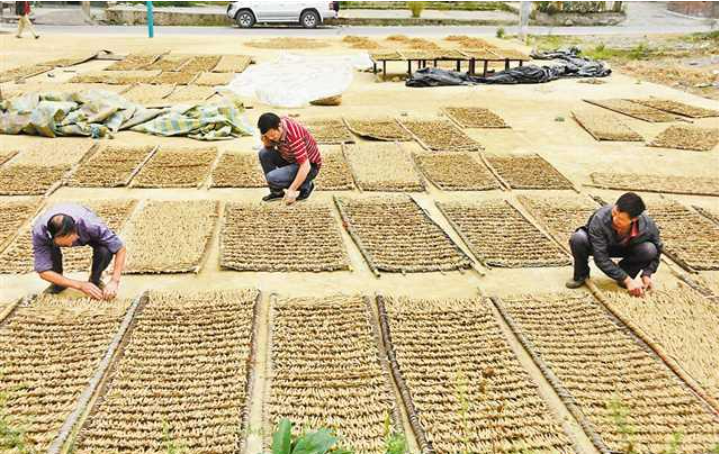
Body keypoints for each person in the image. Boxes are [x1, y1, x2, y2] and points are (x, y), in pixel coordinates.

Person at [566, 192, 662, 297]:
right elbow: (600, 258)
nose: (615, 219)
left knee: (650, 249)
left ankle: (626, 274)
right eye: (614, 213)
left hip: (627, 248)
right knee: (578, 239)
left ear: (634, 219)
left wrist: (647, 273)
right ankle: (581, 275)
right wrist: (628, 281)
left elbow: (658, 249)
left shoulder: (648, 225)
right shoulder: (600, 218)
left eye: (621, 219)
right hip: (600, 246)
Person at [32, 203, 126, 301]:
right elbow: (43, 271)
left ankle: (95, 280)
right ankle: (58, 284)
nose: (75, 239)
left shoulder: (91, 225)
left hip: (87, 228)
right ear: (54, 237)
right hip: (51, 240)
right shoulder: (40, 233)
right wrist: (79, 285)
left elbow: (120, 249)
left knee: (105, 250)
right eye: (67, 240)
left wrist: (114, 281)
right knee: (51, 254)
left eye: (73, 236)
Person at [257, 112, 322, 205]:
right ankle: (277, 193)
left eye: (272, 134)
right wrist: (266, 140)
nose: (271, 138)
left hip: (310, 167)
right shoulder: (277, 124)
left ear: (279, 126)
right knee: (264, 153)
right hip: (291, 158)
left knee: (272, 178)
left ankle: (306, 185)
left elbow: (305, 165)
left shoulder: (294, 136)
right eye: (268, 135)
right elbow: (268, 146)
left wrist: (292, 190)